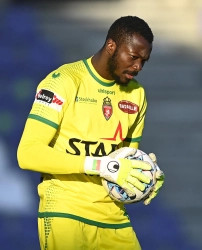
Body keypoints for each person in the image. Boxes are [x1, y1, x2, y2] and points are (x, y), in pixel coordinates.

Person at [17, 16, 165, 250]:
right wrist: (101, 166)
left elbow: (123, 159)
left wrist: (145, 175)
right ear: (111, 46)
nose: (138, 67)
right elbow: (27, 154)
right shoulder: (63, 82)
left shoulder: (137, 95)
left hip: (113, 217)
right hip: (65, 213)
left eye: (144, 61)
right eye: (133, 57)